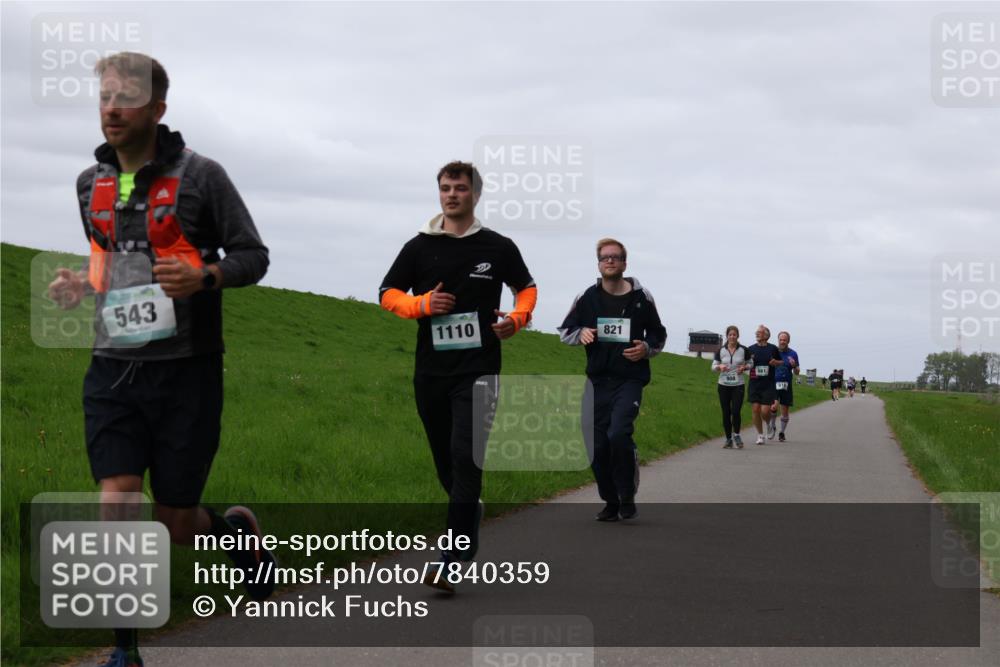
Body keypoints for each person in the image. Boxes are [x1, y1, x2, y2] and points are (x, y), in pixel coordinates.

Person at [46, 53, 273, 667]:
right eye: (104, 97)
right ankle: (126, 648)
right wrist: (82, 285)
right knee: (117, 502)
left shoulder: (204, 177)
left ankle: (234, 536)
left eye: (125, 97)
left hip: (187, 372)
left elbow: (254, 255)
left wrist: (205, 276)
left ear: (157, 109)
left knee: (174, 521)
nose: (111, 108)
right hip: (111, 367)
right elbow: (108, 257)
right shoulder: (86, 184)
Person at [379, 161, 537, 592]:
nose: (452, 195)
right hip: (431, 372)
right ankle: (469, 513)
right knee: (446, 462)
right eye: (446, 188)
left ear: (475, 194)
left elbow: (526, 287)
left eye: (461, 188)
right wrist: (422, 305)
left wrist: (518, 319)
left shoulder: (498, 246)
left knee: (466, 455)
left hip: (480, 370)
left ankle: (453, 557)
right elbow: (386, 293)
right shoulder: (418, 247)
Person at [559, 238, 667, 520]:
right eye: (605, 257)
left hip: (629, 379)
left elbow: (658, 334)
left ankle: (627, 493)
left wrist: (646, 349)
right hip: (597, 381)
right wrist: (580, 332)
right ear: (598, 263)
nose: (610, 261)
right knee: (595, 445)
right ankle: (610, 500)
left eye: (615, 257)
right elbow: (566, 330)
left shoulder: (642, 298)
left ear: (624, 263)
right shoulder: (587, 298)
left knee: (618, 434)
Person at [711, 325, 750, 449]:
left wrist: (744, 367)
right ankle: (728, 439)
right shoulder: (721, 350)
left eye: (734, 334)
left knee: (736, 411)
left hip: (738, 384)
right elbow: (713, 366)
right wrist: (719, 367)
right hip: (723, 385)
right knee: (726, 412)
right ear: (727, 336)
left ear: (738, 336)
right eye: (730, 334)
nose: (732, 336)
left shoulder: (743, 350)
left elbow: (751, 363)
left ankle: (737, 435)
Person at [746, 325, 783, 445]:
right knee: (755, 409)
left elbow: (781, 361)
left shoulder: (773, 348)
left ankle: (769, 424)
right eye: (756, 332)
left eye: (760, 332)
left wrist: (775, 362)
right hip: (754, 383)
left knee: (765, 411)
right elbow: (745, 363)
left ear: (766, 336)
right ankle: (760, 435)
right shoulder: (750, 349)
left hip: (768, 384)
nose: (757, 334)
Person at [772, 331, 800, 442]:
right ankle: (772, 426)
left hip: (786, 384)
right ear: (778, 340)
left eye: (784, 340)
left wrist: (794, 366)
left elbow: (797, 372)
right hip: (773, 383)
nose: (782, 341)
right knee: (773, 407)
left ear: (788, 341)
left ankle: (782, 432)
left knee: (784, 410)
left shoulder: (793, 354)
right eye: (781, 339)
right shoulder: (773, 351)